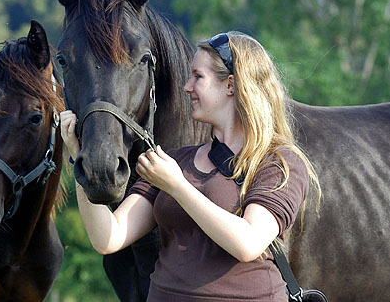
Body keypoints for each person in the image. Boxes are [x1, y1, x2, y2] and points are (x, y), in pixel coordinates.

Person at [60, 31, 320, 302]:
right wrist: (79, 158)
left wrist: (177, 186)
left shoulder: (279, 164)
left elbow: (248, 243)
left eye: (198, 77)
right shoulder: (175, 162)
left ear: (230, 85)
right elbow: (107, 237)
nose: (187, 87)